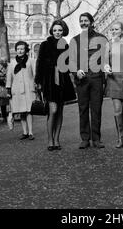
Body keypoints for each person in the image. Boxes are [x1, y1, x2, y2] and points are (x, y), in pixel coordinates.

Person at [35, 19, 76, 151]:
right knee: (53, 110)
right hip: (49, 81)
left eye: (60, 30)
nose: (57, 32)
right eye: (55, 30)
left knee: (60, 111)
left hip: (63, 81)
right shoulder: (44, 45)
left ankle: (57, 139)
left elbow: (70, 64)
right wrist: (38, 81)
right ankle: (50, 140)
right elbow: (39, 64)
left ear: (63, 31)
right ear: (51, 31)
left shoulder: (65, 45)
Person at [69, 12, 108, 149]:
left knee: (96, 109)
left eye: (86, 20)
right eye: (81, 21)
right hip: (82, 80)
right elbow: (71, 61)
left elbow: (105, 58)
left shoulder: (102, 38)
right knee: (83, 109)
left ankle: (96, 139)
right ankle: (85, 138)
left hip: (97, 78)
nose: (83, 23)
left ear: (91, 22)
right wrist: (75, 71)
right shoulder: (74, 40)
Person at [6, 41, 36, 140]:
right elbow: (9, 77)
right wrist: (8, 89)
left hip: (29, 89)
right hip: (17, 90)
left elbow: (35, 75)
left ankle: (31, 132)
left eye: (22, 49)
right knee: (21, 111)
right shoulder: (12, 63)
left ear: (26, 50)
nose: (20, 51)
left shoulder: (31, 61)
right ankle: (25, 132)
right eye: (18, 49)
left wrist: (37, 85)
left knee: (29, 111)